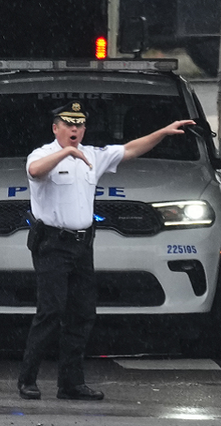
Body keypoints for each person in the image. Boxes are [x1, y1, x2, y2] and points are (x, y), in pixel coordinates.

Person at [18, 103, 195, 401]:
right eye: (68, 124)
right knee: (51, 311)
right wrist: (65, 153)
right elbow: (35, 171)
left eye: (80, 125)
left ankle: (71, 383)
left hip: (83, 244)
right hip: (52, 243)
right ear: (55, 128)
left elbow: (130, 150)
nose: (74, 130)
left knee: (82, 313)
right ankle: (28, 379)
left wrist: (163, 133)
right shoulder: (42, 154)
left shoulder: (94, 155)